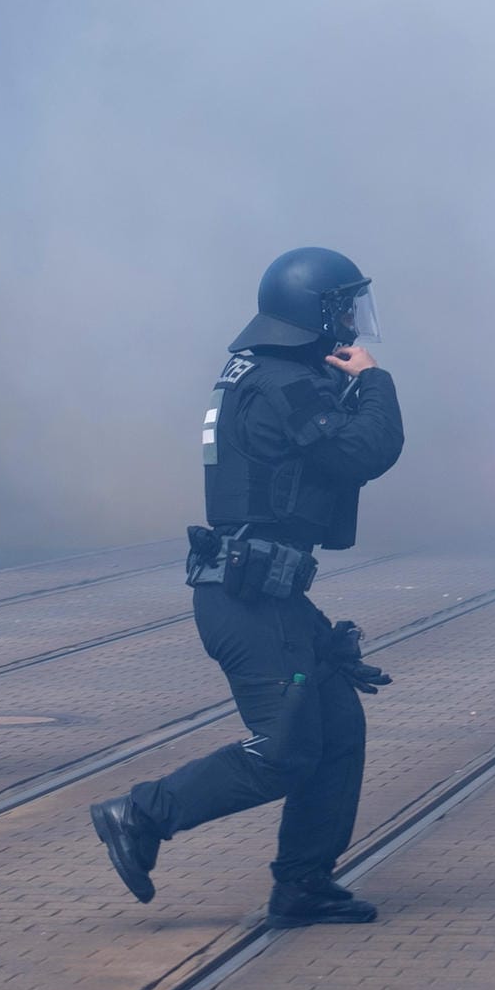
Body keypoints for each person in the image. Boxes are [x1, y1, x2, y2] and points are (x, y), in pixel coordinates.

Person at [89, 246, 405, 928]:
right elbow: (363, 451)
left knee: (339, 728)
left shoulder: (268, 371)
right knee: (286, 748)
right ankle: (141, 812)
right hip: (248, 596)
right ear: (312, 312)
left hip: (270, 588)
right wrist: (377, 383)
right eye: (342, 306)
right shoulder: (281, 381)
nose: (351, 320)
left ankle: (303, 884)